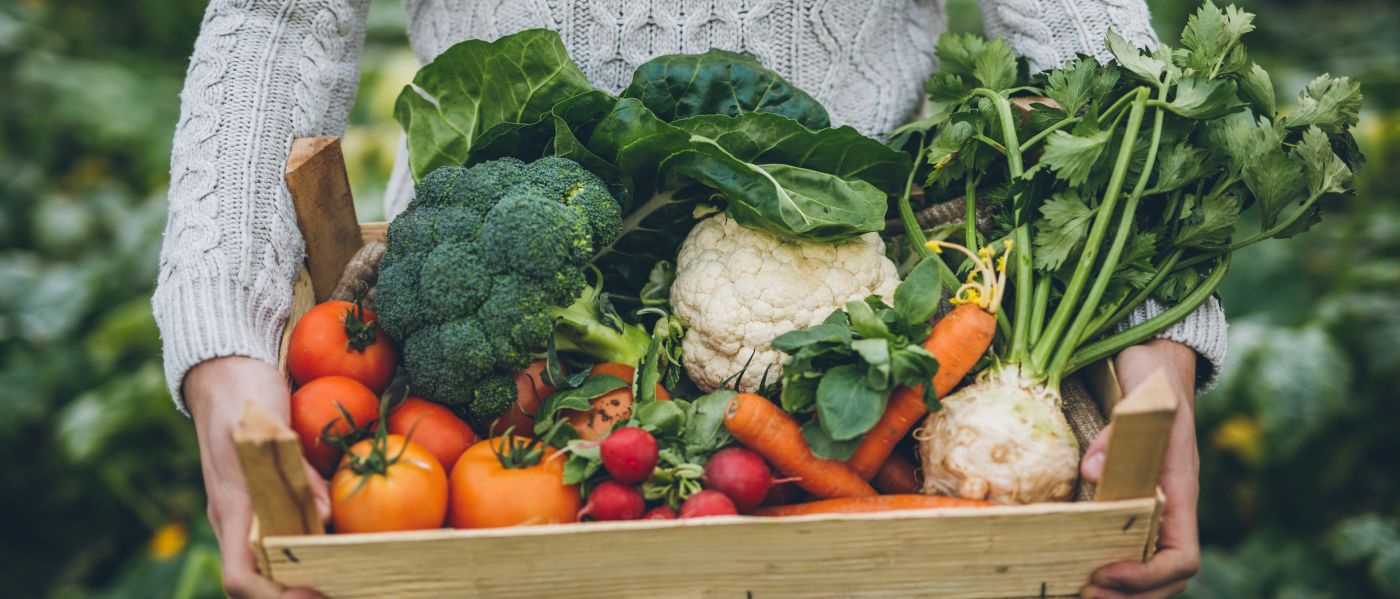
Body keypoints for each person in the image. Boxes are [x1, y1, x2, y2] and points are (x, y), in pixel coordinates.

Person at [155, 1, 1226, 597]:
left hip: (879, 319)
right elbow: (279, 20)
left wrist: (1157, 340)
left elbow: (1081, 28)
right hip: (491, 378)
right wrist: (224, 353)